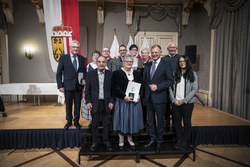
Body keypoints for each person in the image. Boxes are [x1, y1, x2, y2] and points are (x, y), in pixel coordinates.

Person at [142, 45, 174, 152]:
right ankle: (152, 139)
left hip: (160, 97)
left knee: (160, 121)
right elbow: (145, 82)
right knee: (150, 121)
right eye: (152, 52)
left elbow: (170, 81)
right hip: (149, 98)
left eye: (156, 52)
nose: (154, 54)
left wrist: (158, 87)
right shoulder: (148, 64)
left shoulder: (166, 64)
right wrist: (143, 96)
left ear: (160, 52)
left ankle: (160, 141)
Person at [112, 55, 144, 151]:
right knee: (122, 120)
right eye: (127, 61)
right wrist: (124, 97)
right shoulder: (116, 73)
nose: (129, 63)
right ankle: (121, 139)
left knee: (131, 120)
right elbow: (115, 88)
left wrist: (139, 96)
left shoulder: (137, 73)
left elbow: (141, 87)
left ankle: (130, 139)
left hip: (134, 102)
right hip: (123, 102)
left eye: (131, 61)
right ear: (123, 62)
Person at [85, 55, 114, 152]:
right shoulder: (90, 74)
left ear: (106, 63)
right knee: (95, 124)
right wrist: (88, 102)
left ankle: (106, 140)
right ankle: (95, 141)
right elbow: (87, 90)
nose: (101, 64)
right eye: (99, 62)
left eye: (103, 62)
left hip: (106, 103)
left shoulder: (110, 74)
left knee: (106, 123)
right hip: (94, 103)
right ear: (96, 63)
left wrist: (111, 101)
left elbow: (112, 90)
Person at [169, 55, 198, 150]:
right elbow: (170, 87)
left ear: (187, 62)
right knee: (177, 123)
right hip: (176, 103)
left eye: (184, 61)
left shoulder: (193, 74)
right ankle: (179, 140)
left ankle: (185, 141)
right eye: (180, 61)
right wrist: (173, 100)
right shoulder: (174, 73)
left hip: (187, 104)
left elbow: (194, 89)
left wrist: (184, 100)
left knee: (187, 122)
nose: (182, 63)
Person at [56, 40, 86, 130]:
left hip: (78, 86)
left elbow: (83, 71)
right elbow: (58, 73)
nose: (75, 48)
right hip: (67, 86)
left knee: (77, 105)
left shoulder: (81, 58)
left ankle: (76, 121)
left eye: (77, 47)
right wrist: (60, 85)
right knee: (68, 105)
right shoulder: (63, 58)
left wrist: (84, 79)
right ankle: (69, 121)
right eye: (74, 47)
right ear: (70, 47)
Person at [162, 42, 181, 131]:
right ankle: (166, 121)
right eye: (170, 47)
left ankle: (175, 123)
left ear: (176, 48)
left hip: (177, 86)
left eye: (174, 47)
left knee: (175, 106)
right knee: (166, 105)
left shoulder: (180, 58)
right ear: (167, 49)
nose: (172, 49)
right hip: (166, 86)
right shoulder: (163, 59)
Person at [82, 50, 101, 122]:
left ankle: (99, 121)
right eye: (94, 55)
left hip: (99, 89)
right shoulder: (89, 66)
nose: (96, 57)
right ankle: (91, 121)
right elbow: (85, 77)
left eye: (97, 55)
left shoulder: (102, 65)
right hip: (90, 89)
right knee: (90, 105)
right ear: (92, 57)